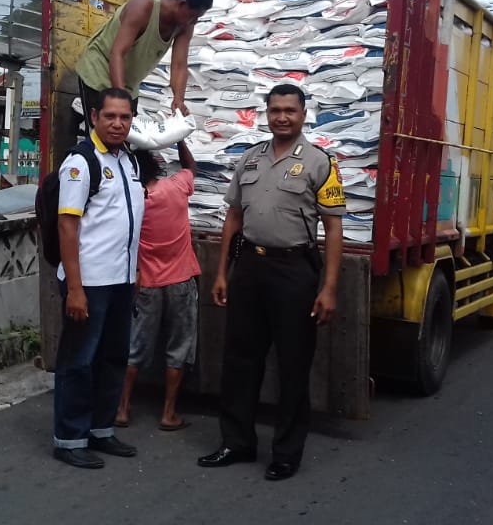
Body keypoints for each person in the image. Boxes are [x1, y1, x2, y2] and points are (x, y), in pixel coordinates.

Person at [197, 83, 346, 482]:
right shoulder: (249, 159)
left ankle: (286, 452)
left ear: (303, 115)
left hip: (294, 271)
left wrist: (328, 287)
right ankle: (237, 442)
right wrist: (223, 272)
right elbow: (233, 218)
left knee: (294, 363)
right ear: (266, 113)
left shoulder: (320, 164)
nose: (282, 116)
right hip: (250, 268)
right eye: (275, 109)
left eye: (290, 110)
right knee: (240, 360)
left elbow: (333, 229)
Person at [52, 88, 146, 469]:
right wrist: (74, 288)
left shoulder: (129, 161)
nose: (118, 124)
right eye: (110, 116)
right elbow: (67, 226)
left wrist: (133, 271)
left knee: (113, 358)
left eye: (125, 117)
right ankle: (70, 438)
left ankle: (100, 430)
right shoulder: (81, 161)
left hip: (120, 281)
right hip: (88, 282)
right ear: (94, 117)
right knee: (79, 361)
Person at [115, 140, 200, 432]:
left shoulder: (133, 200)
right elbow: (191, 167)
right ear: (157, 167)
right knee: (179, 347)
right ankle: (168, 413)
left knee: (135, 347)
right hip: (180, 281)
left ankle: (123, 409)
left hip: (146, 284)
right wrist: (179, 139)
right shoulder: (176, 188)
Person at [75, 0, 212, 120]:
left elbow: (179, 65)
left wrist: (178, 100)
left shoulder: (185, 25)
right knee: (101, 134)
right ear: (182, 4)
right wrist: (121, 101)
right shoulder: (144, 6)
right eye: (194, 16)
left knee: (123, 135)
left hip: (128, 85)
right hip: (99, 72)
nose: (194, 22)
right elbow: (117, 53)